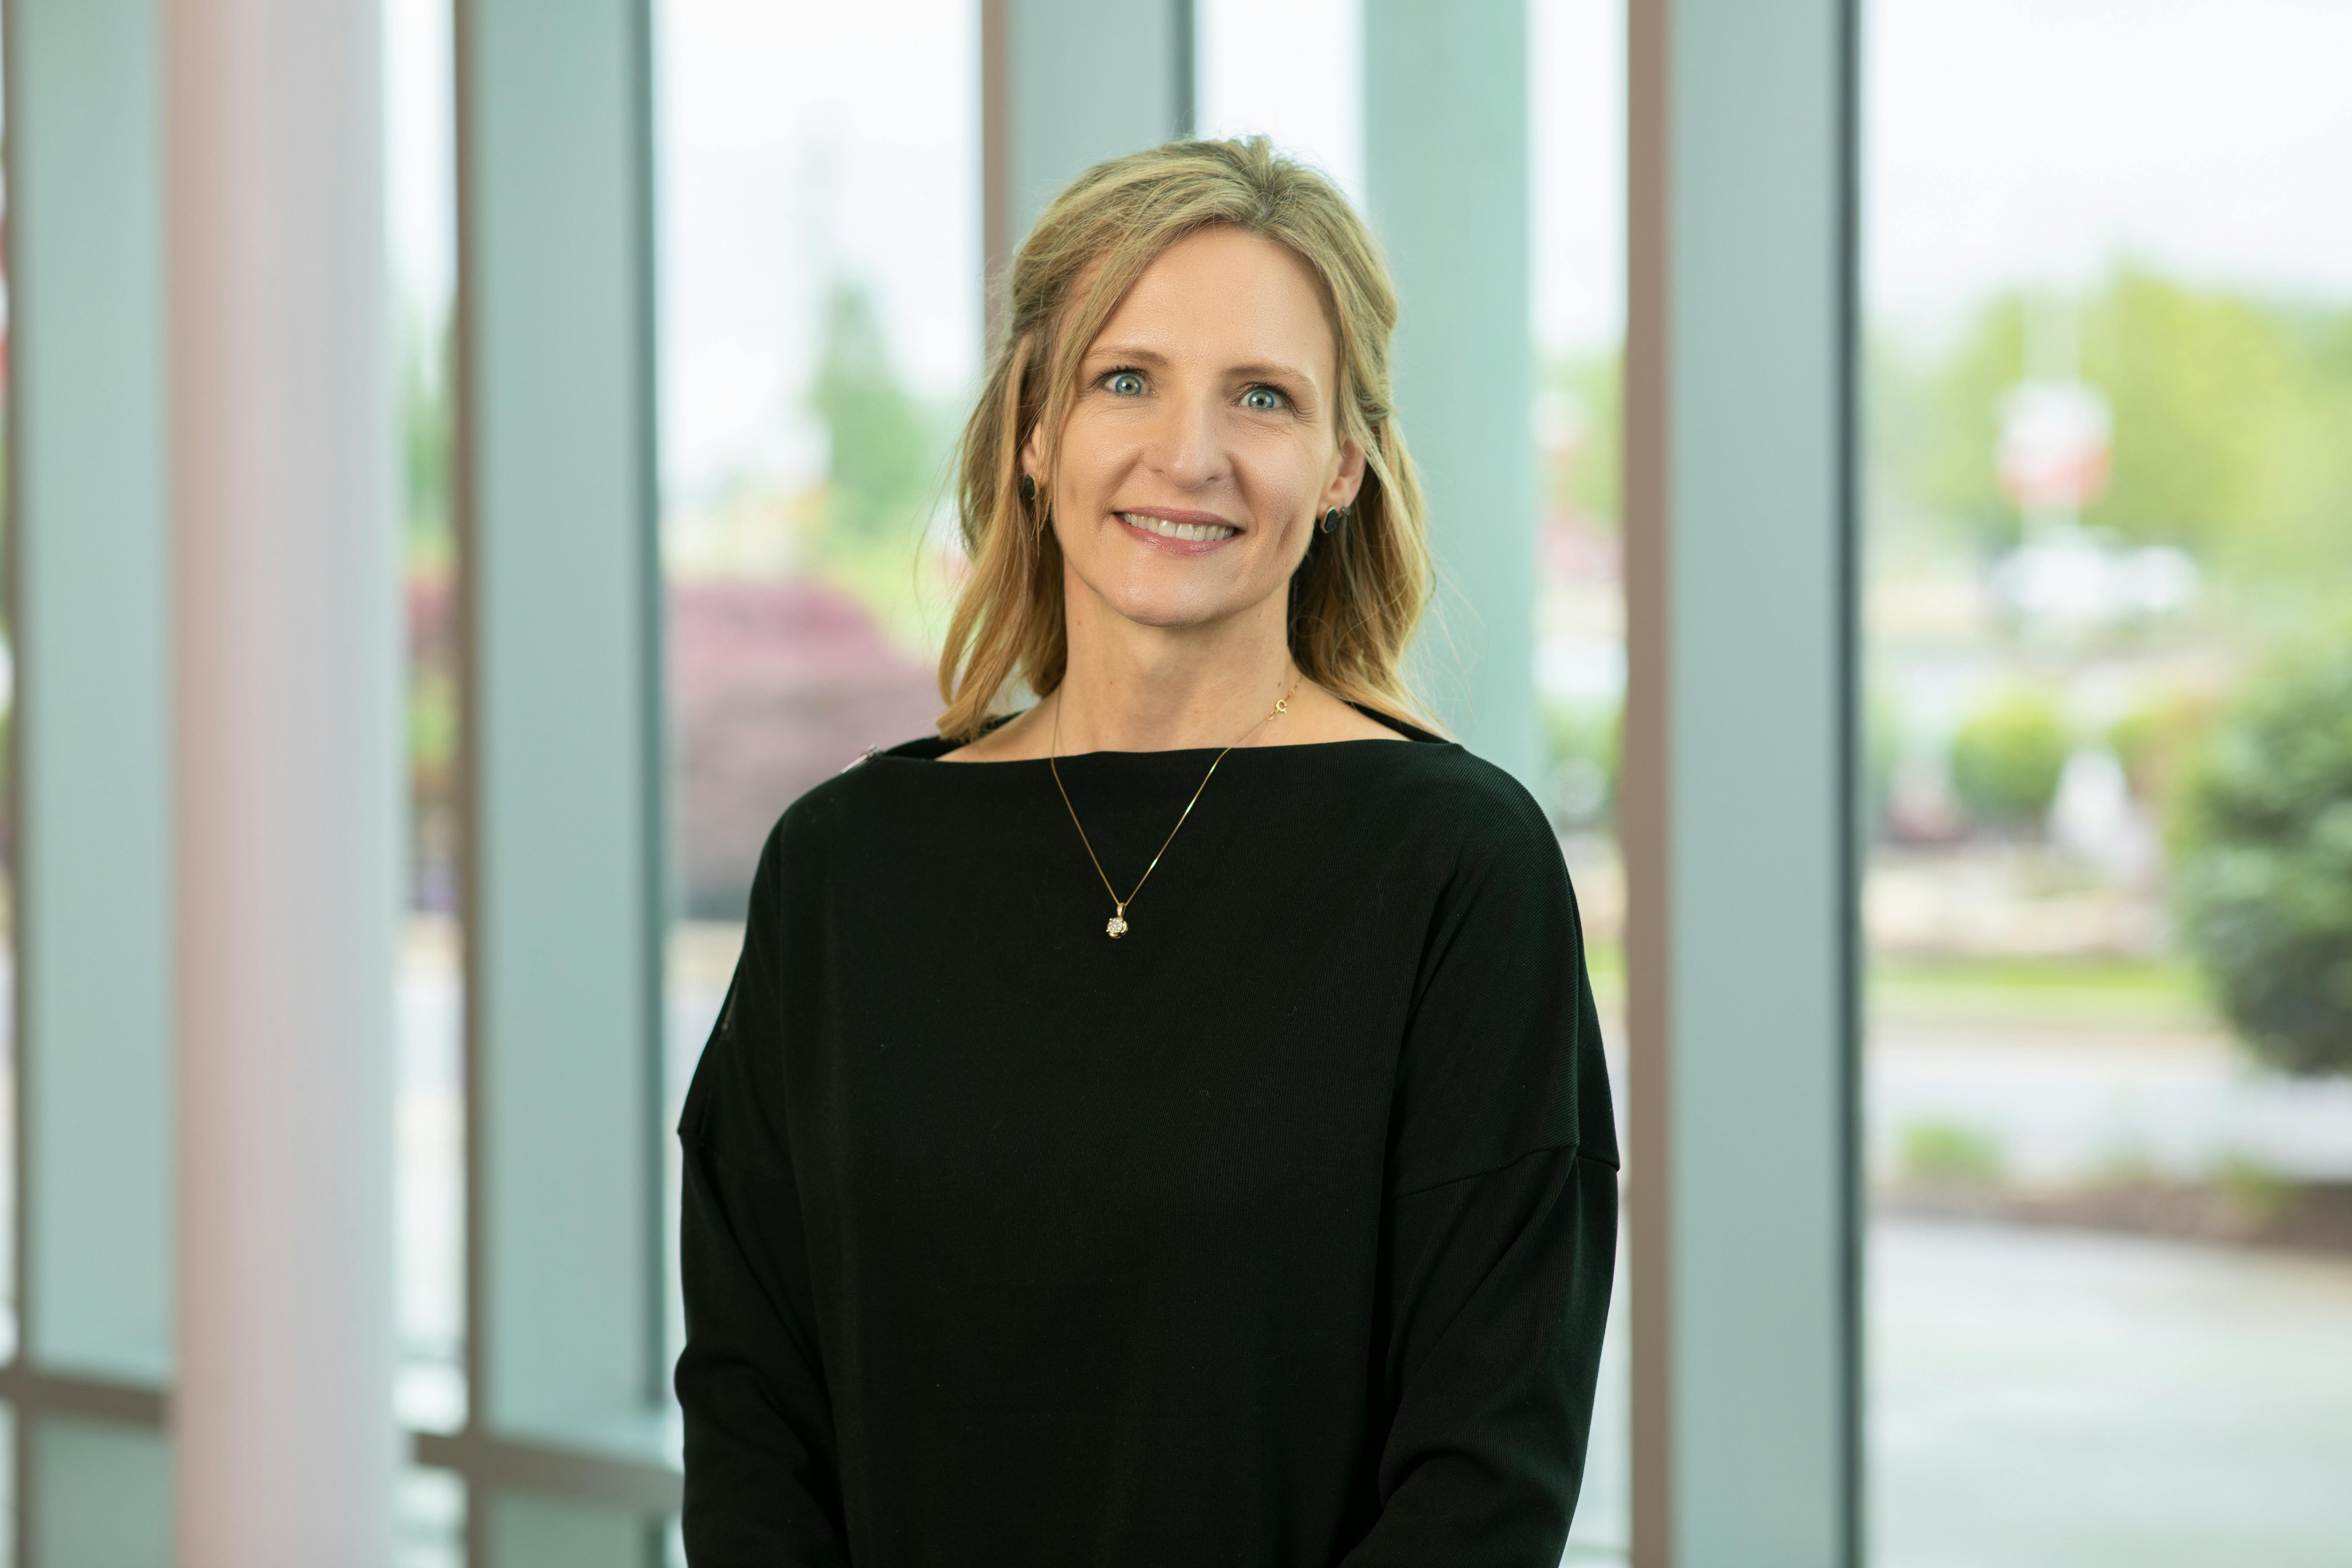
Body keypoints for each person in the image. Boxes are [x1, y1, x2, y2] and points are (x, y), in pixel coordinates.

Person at [676, 136, 1617, 1566]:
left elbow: (1484, 1476)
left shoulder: (1457, 869)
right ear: (1035, 430)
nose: (1191, 455)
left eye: (1263, 396)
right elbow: (754, 1415)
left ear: (1343, 463)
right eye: (1127, 379)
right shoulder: (843, 870)